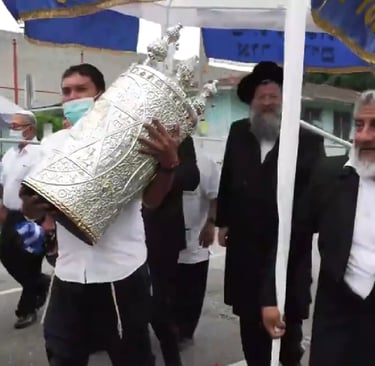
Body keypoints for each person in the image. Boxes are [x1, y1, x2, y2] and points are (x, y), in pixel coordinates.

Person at [20, 63, 183, 366]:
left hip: (119, 274)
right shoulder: (53, 145)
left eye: (81, 90)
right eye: (66, 91)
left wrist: (167, 165)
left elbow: (152, 202)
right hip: (68, 274)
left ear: (101, 96)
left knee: (131, 358)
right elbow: (38, 208)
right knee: (61, 354)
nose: (72, 98)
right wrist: (32, 211)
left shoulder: (134, 143)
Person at [216, 61, 325, 366]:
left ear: (285, 101)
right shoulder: (239, 132)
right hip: (244, 251)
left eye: (273, 97)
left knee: (286, 339)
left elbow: (314, 198)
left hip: (289, 252)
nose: (266, 103)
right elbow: (228, 177)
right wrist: (221, 220)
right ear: (252, 102)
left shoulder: (308, 140)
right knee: (250, 331)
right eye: (260, 98)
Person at [262, 90, 375, 366]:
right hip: (336, 320)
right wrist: (271, 297)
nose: (362, 136)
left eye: (374, 127)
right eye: (359, 125)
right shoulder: (330, 175)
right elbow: (293, 240)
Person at [142, 133, 200, 366]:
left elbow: (192, 177)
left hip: (161, 233)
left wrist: (164, 169)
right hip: (120, 235)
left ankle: (171, 357)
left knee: (159, 306)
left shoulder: (175, 134)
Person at [0, 112, 49, 329]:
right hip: (9, 215)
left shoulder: (39, 153)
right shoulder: (10, 153)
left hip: (31, 217)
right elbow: (3, 182)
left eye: (16, 125)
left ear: (29, 128)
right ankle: (40, 282)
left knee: (29, 262)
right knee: (7, 255)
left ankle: (26, 310)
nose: (11, 128)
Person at [176, 149, 220, 346]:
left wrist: (211, 224)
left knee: (192, 292)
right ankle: (170, 330)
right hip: (164, 243)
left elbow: (215, 197)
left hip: (196, 242)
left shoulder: (205, 162)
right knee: (168, 291)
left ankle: (186, 332)